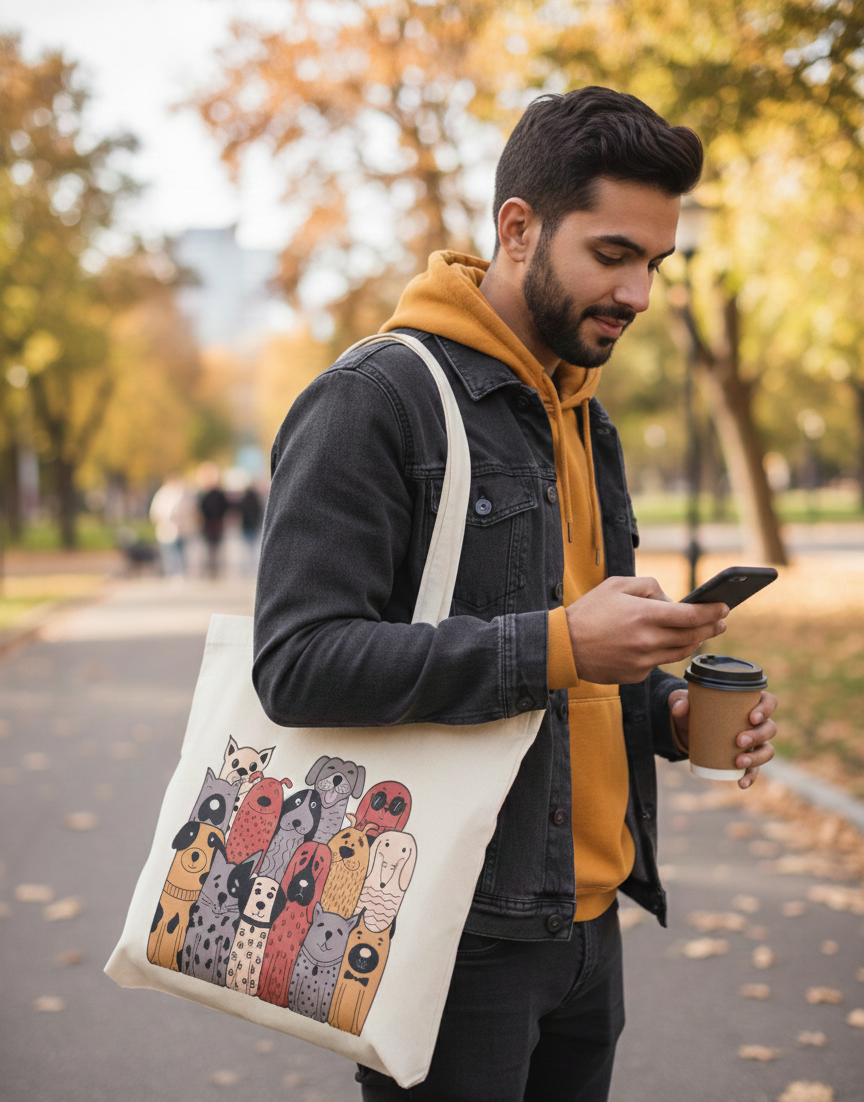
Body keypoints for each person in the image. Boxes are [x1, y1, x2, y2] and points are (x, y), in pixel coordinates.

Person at [253, 87, 778, 1102]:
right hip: (450, 932)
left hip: (589, 925)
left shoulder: (585, 415)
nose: (638, 293)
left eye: (656, 265)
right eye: (613, 254)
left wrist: (666, 714)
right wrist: (560, 643)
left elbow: (573, 651)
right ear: (517, 228)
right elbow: (297, 661)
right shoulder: (376, 400)